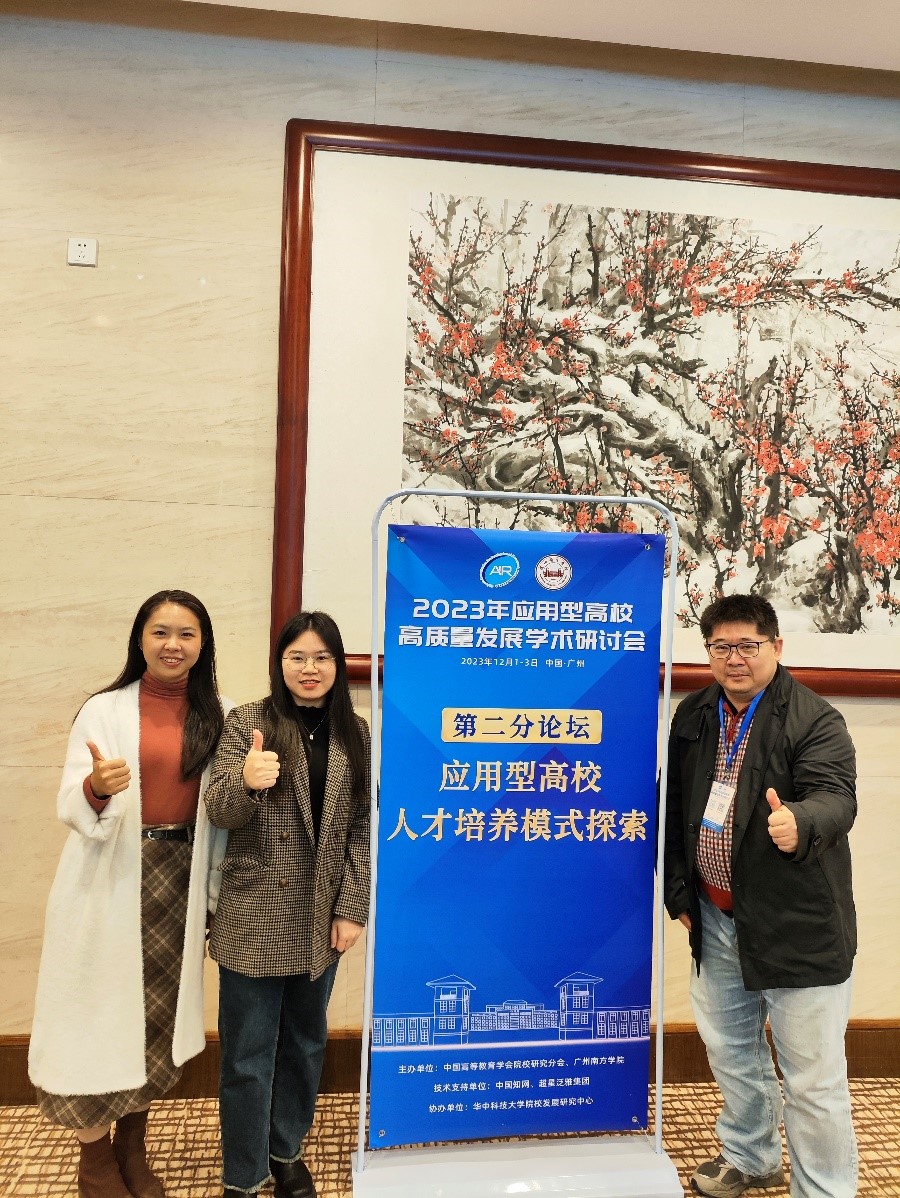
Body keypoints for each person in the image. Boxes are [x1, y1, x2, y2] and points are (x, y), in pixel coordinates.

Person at [29, 590, 228, 1198]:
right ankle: (94, 1157)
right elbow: (71, 801)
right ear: (140, 639)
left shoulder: (217, 713)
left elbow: (222, 809)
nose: (173, 645)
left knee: (155, 1018)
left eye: (186, 634)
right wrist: (95, 787)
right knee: (92, 1013)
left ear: (203, 644)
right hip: (108, 876)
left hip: (179, 879)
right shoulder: (104, 709)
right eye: (160, 631)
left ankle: (132, 1146)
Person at [663, 593, 858, 1198]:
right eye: (721, 647)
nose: (735, 658)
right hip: (717, 919)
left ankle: (825, 1189)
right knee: (732, 1051)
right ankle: (751, 1155)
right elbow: (678, 808)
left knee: (812, 1080)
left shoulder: (815, 718)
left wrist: (802, 821)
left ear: (776, 646)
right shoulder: (695, 712)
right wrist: (681, 893)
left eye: (748, 645)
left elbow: (837, 797)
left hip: (796, 923)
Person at [205, 610, 370, 1198]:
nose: (309, 668)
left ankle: (286, 1152)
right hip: (254, 914)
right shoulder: (248, 721)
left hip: (321, 920)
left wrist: (352, 907)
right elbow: (219, 812)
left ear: (337, 665)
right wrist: (245, 781)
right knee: (247, 1056)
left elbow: (359, 826)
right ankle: (244, 1176)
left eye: (322, 657)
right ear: (279, 663)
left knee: (305, 1045)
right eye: (297, 656)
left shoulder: (355, 731)